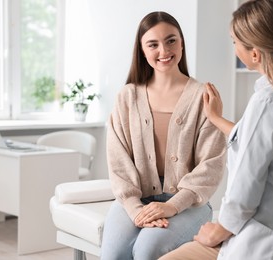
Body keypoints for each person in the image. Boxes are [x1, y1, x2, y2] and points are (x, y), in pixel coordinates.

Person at [159, 0, 273, 259]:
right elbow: (262, 144)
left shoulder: (267, 101)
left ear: (254, 54)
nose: (233, 48)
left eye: (234, 42)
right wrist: (216, 118)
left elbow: (246, 185)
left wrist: (218, 230)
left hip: (265, 242)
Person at [100, 11, 227, 260]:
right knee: (113, 253)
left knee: (147, 249)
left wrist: (172, 205)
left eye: (171, 40)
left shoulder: (204, 96)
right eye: (153, 44)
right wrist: (136, 208)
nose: (164, 50)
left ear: (181, 43)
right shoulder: (127, 96)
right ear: (142, 50)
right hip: (137, 197)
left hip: (188, 203)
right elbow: (118, 160)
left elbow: (211, 164)